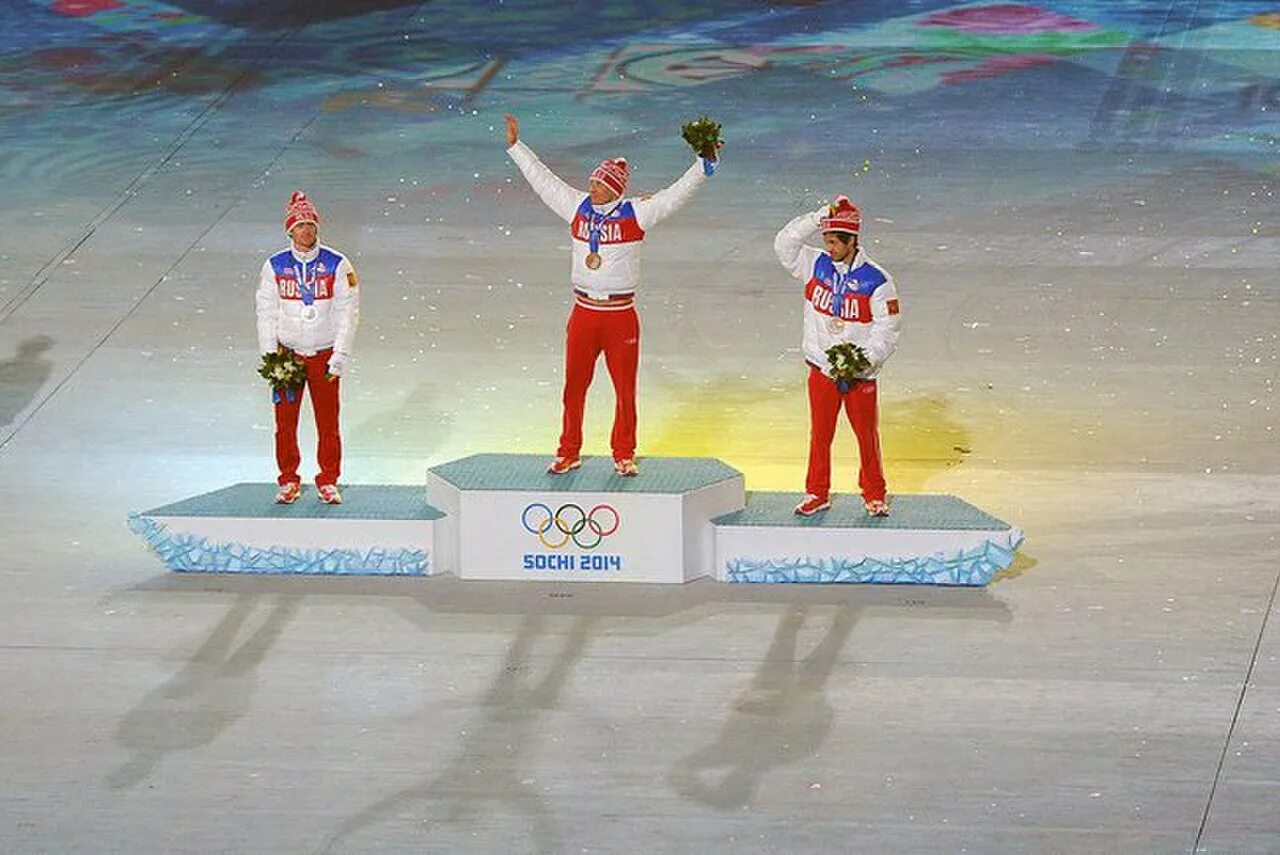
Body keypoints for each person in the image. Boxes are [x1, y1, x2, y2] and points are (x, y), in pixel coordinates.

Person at [504, 112, 716, 476]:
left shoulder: (637, 213)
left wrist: (703, 164)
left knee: (624, 390)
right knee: (574, 387)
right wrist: (516, 147)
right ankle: (568, 451)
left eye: (599, 184)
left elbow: (675, 196)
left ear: (615, 188)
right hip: (584, 313)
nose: (592, 187)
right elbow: (543, 181)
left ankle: (623, 453)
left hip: (620, 316)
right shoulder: (576, 206)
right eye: (591, 181)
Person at [774, 196, 900, 517]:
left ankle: (874, 493)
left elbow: (887, 330)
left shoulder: (877, 281)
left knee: (867, 437)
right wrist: (819, 217)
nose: (828, 247)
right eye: (826, 240)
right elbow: (784, 243)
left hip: (859, 375)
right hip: (821, 371)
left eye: (834, 242)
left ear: (852, 240)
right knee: (820, 435)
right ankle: (817, 493)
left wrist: (861, 361)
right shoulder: (814, 263)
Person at [255, 191, 360, 504]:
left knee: (328, 423)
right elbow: (266, 313)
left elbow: (348, 313)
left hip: (324, 355)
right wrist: (270, 357)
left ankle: (328, 479)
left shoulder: (337, 264)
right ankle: (288, 479)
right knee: (284, 423)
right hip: (287, 357)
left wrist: (339, 356)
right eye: (300, 226)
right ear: (290, 230)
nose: (307, 231)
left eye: (311, 225)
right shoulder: (274, 266)